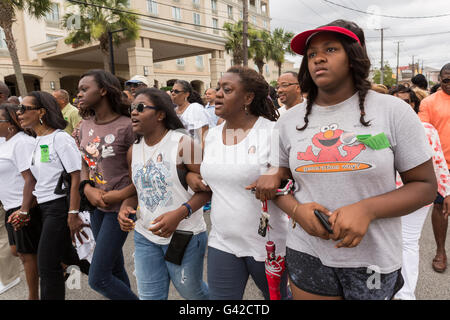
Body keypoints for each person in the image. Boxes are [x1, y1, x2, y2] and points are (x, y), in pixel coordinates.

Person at [253, 19, 437, 300]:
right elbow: (279, 179)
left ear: (353, 57)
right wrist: (297, 212)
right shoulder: (289, 121)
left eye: (331, 49)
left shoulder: (394, 111)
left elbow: (424, 186)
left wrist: (368, 209)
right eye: (312, 54)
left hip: (372, 258)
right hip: (307, 252)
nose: (318, 59)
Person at [190, 66, 290, 300]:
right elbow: (213, 175)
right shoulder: (212, 135)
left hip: (267, 244)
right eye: (217, 89)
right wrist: (192, 177)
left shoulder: (272, 132)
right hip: (222, 241)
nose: (217, 94)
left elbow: (291, 174)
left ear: (247, 97)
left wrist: (276, 174)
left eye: (227, 89)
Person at [117, 88, 210, 300]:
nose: (133, 112)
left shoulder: (183, 144)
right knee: (149, 297)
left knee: (192, 293)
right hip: (145, 235)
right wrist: (125, 207)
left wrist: (179, 214)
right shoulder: (134, 150)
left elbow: (208, 190)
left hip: (184, 235)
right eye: (132, 108)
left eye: (140, 108)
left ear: (160, 114)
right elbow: (136, 189)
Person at [18, 91, 89, 300]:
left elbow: (76, 176)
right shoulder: (38, 140)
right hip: (44, 208)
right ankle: (107, 279)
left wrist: (72, 213)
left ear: (41, 112)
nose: (19, 113)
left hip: (59, 208)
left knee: (48, 266)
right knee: (73, 258)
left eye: (24, 109)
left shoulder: (60, 138)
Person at [77, 69, 138, 300]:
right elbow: (85, 161)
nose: (79, 94)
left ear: (103, 90)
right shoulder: (84, 125)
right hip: (96, 207)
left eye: (85, 89)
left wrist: (119, 196)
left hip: (120, 208)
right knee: (113, 268)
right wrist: (87, 188)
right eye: (79, 89)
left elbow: (140, 174)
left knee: (98, 278)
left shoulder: (128, 126)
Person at [389, 85, 450, 299]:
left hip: (417, 196)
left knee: (407, 242)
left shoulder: (426, 129)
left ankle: (405, 294)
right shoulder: (381, 128)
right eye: (396, 101)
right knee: (388, 242)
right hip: (386, 197)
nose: (402, 106)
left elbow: (439, 163)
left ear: (413, 104)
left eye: (406, 101)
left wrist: (447, 192)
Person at [0, 103, 41, 299]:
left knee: (27, 255)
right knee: (16, 251)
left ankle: (33, 295)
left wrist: (24, 209)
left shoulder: (21, 142)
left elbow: (31, 179)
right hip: (10, 206)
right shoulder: (4, 141)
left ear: (11, 124)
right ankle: (59, 264)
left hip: (22, 205)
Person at [418, 63, 450, 273]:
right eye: (446, 80)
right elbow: (423, 135)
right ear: (439, 80)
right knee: (440, 209)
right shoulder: (429, 103)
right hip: (442, 167)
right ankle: (440, 251)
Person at [0, 81, 21, 295]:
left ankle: (9, 277)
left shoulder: (13, 124)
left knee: (10, 239)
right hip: (5, 192)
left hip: (16, 197)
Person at [171, 80, 209, 145]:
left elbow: (203, 138)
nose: (173, 93)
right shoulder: (173, 112)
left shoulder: (195, 108)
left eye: (176, 91)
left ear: (186, 94)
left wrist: (200, 154)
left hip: (195, 151)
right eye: (172, 91)